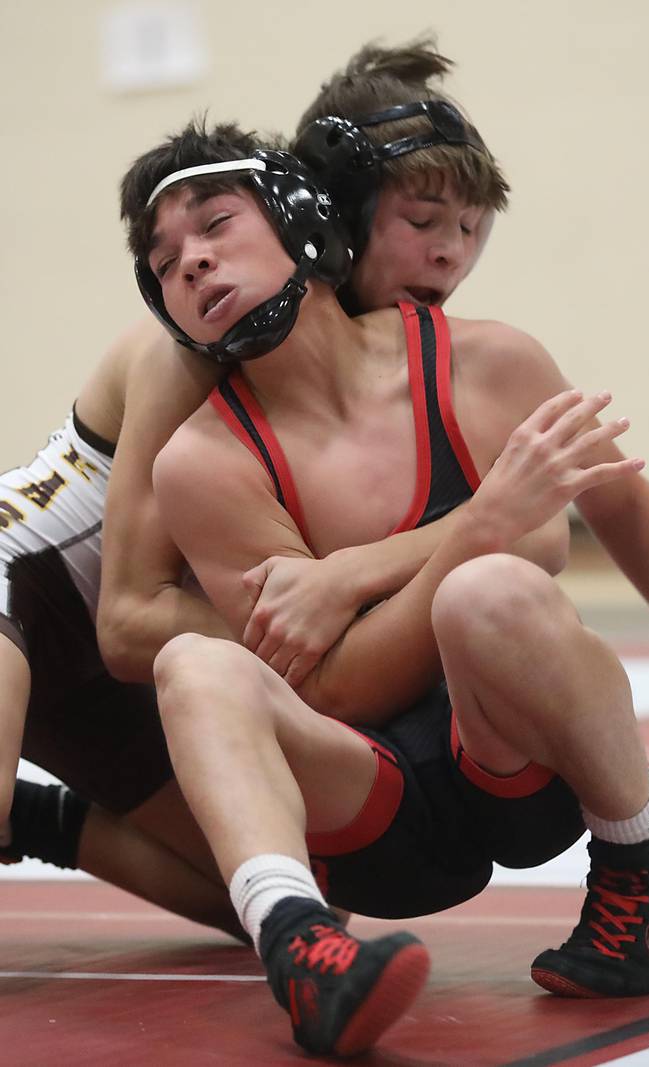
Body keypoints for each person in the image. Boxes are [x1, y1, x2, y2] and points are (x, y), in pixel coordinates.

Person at [120, 120, 649, 1057]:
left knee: (490, 593)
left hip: (520, 767)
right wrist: (477, 522)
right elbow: (333, 690)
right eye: (164, 264)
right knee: (194, 663)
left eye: (215, 226)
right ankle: (298, 945)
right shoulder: (200, 458)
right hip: (380, 821)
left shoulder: (483, 361)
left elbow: (622, 506)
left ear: (301, 217)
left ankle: (640, 864)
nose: (190, 264)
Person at [2, 37, 533, 931]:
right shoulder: (202, 344)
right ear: (326, 218)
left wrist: (345, 587)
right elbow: (129, 617)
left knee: (277, 873)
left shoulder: (362, 353)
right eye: (420, 223)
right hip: (27, 589)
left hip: (107, 659)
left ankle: (32, 816)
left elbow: (525, 523)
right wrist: (313, 651)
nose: (446, 257)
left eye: (467, 230)